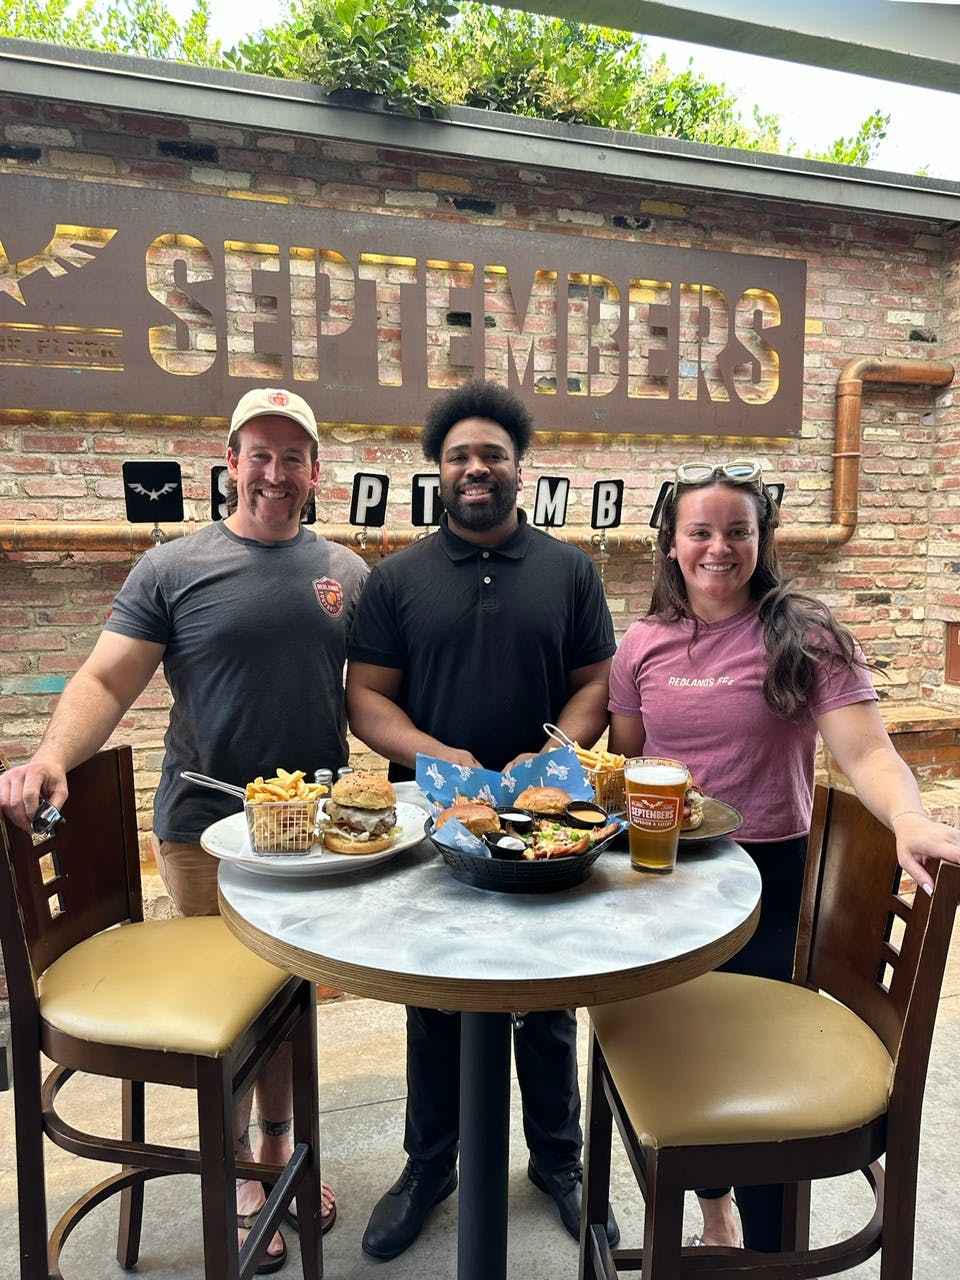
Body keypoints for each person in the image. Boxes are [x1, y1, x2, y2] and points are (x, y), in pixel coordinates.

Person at [0, 387, 369, 1274]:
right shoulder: (171, 568)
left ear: (315, 472)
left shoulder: (349, 574)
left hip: (313, 838)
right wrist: (53, 755)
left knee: (288, 999)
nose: (274, 473)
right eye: (259, 454)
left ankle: (276, 1147)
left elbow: (381, 691)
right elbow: (106, 680)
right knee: (230, 1005)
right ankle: (237, 1165)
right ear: (231, 464)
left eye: (292, 457)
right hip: (205, 831)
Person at [607, 458, 960, 1254]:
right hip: (663, 879)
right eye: (700, 532)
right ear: (672, 544)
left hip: (768, 880)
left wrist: (908, 817)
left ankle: (768, 1254)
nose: (719, 548)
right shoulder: (643, 644)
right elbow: (626, 765)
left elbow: (866, 752)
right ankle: (715, 1215)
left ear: (762, 540)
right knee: (679, 1054)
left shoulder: (804, 633)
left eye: (738, 531)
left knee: (751, 1063)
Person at [345, 378, 621, 1260]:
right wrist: (440, 753)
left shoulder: (570, 571)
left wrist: (551, 752)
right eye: (460, 455)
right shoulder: (398, 578)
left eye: (493, 455)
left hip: (550, 820)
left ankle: (559, 1161)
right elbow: (366, 697)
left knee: (548, 998)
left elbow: (596, 683)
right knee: (437, 998)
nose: (476, 468)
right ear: (438, 470)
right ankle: (430, 1166)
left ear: (518, 469)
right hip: (439, 823)